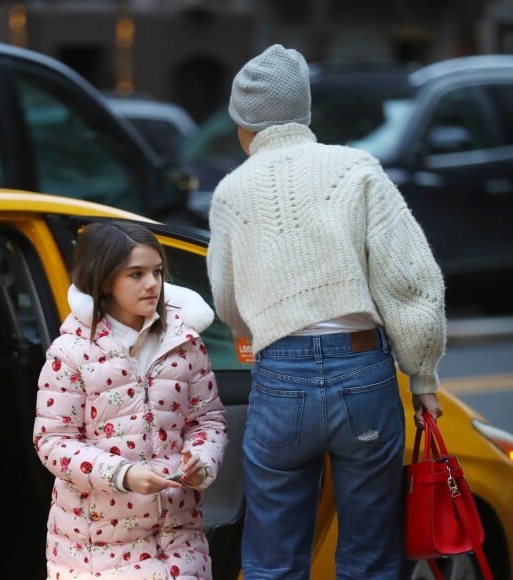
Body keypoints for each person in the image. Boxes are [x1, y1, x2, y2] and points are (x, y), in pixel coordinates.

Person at [206, 44, 446, 580]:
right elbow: (409, 281)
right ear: (305, 112)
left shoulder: (230, 194)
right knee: (368, 557)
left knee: (272, 560)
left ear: (244, 123)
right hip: (363, 376)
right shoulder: (355, 170)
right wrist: (423, 376)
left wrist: (259, 331)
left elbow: (227, 302)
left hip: (281, 380)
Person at [33, 221, 228, 580]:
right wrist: (122, 474)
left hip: (178, 543)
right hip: (95, 550)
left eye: (156, 272)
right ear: (105, 280)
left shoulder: (184, 342)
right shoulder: (71, 351)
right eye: (136, 274)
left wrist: (202, 461)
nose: (152, 284)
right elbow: (52, 441)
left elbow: (208, 421)